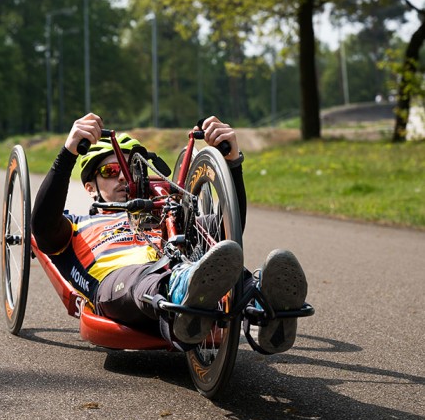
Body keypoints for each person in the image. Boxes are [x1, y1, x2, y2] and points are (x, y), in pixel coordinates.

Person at [31, 112, 308, 353]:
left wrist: (231, 162)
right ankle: (183, 289)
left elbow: (228, 229)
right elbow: (42, 229)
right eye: (109, 170)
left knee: (224, 257)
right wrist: (67, 154)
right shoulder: (76, 224)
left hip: (186, 268)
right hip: (118, 286)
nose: (122, 178)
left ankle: (265, 304)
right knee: (143, 280)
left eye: (131, 171)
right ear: (90, 186)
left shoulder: (168, 216)